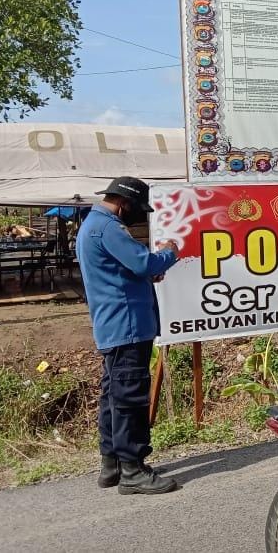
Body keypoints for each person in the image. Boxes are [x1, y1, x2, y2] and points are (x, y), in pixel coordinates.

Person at [76, 176, 180, 495]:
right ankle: (133, 470)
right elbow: (143, 262)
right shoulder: (108, 227)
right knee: (130, 400)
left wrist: (146, 273)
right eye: (137, 209)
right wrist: (169, 254)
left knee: (114, 397)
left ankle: (112, 466)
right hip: (128, 327)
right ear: (124, 204)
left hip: (113, 326)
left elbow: (124, 271)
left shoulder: (92, 225)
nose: (138, 216)